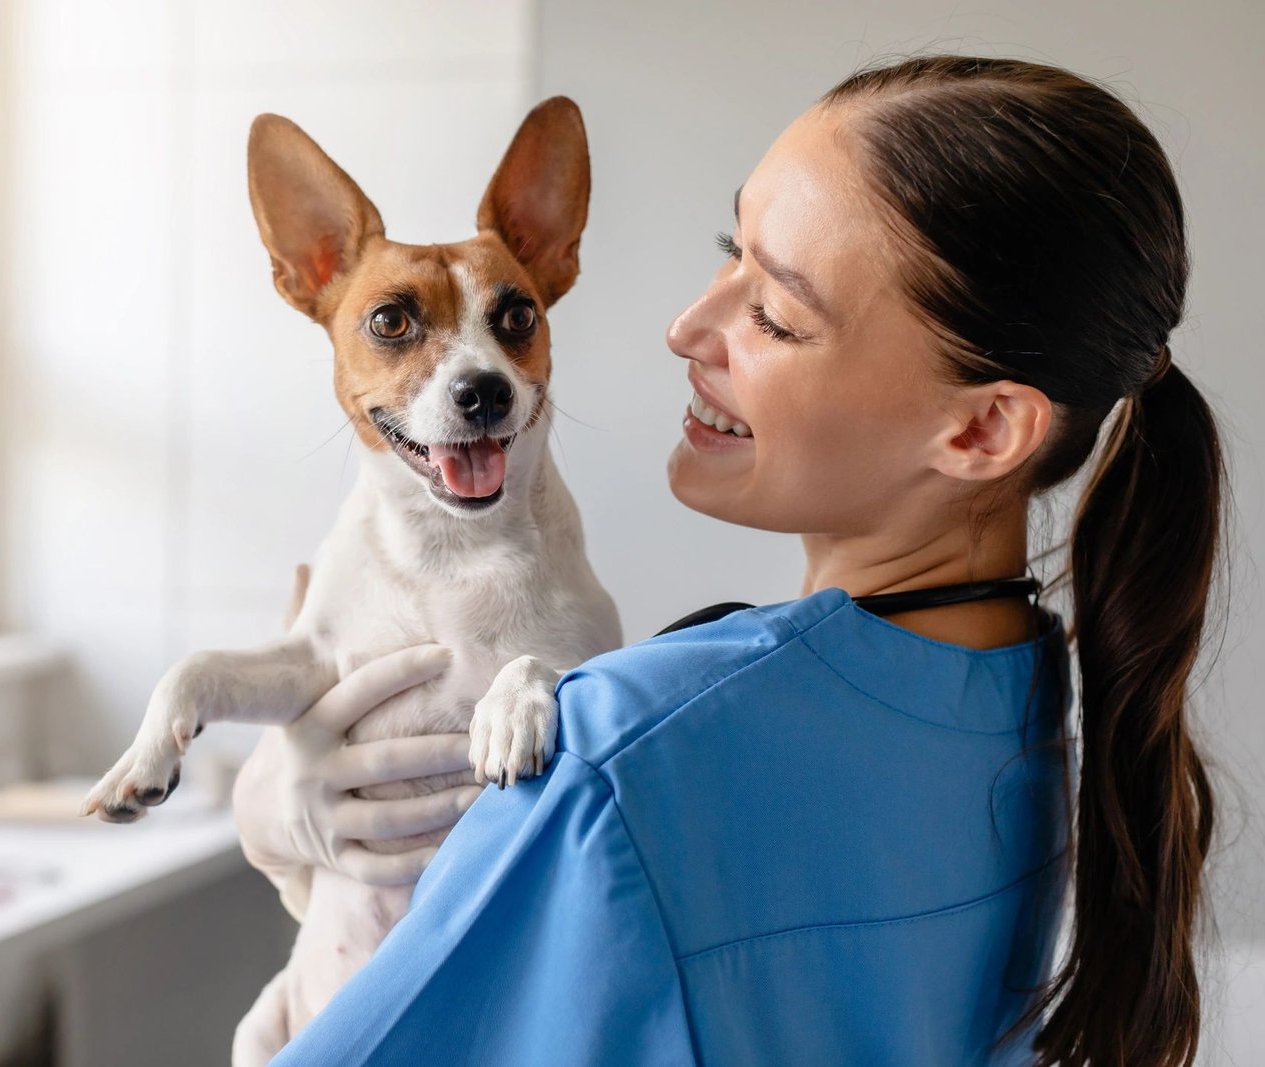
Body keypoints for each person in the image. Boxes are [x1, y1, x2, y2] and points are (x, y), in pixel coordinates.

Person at [231, 54, 1231, 1066]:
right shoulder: (1039, 701)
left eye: (773, 311)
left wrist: (294, 849)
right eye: (730, 251)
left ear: (980, 432)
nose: (687, 326)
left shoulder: (609, 761)